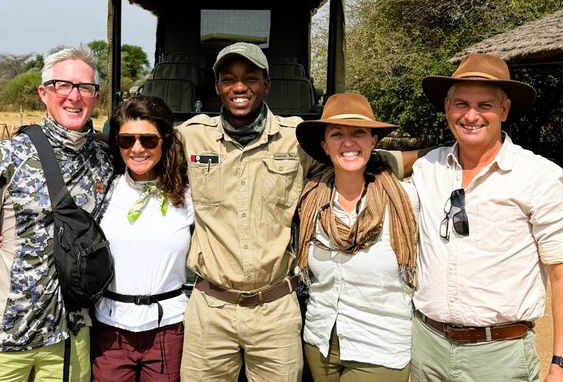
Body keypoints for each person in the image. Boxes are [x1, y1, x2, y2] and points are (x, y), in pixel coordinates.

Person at [176, 42, 412, 382]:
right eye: (229, 79)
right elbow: (143, 152)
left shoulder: (294, 139)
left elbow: (350, 157)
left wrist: (448, 153)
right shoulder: (191, 138)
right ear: (217, 87)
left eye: (251, 78)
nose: (239, 87)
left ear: (266, 84)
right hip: (210, 308)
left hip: (275, 308)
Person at [410, 53, 563, 382]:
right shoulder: (426, 169)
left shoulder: (539, 177)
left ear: (504, 110)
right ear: (446, 108)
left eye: (485, 105)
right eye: (461, 104)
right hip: (425, 349)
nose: (471, 115)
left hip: (500, 356)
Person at [0, 47, 112, 382]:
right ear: (43, 93)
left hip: (70, 337)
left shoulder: (104, 159)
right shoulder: (8, 156)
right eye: (63, 85)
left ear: (96, 98)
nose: (74, 96)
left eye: (85, 88)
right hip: (5, 335)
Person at [295, 93, 418, 382]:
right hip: (320, 342)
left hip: (380, 347)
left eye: (359, 133)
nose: (348, 143)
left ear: (373, 141)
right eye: (337, 134)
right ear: (325, 146)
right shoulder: (311, 201)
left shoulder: (406, 201)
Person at [91, 95, 193, 381]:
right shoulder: (103, 192)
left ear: (165, 141)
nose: (137, 149)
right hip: (111, 329)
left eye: (148, 140)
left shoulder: (187, 196)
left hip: (168, 329)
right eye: (127, 140)